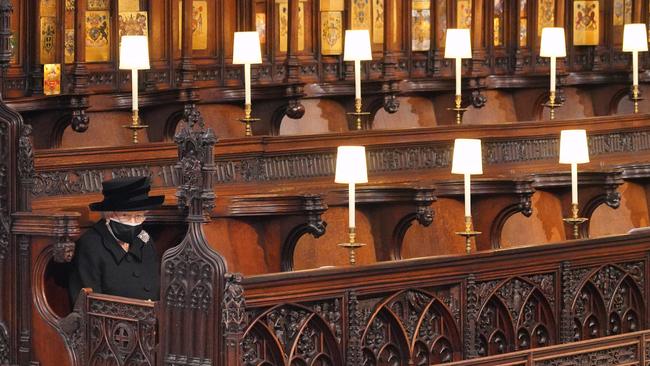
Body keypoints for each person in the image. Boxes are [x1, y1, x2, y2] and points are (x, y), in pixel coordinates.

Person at [68, 176, 164, 301]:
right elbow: (87, 304)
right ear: (109, 214)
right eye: (126, 216)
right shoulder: (91, 246)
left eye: (139, 216)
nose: (133, 222)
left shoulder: (145, 241)